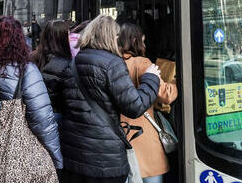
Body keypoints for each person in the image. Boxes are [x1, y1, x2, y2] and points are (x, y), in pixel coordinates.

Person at [58, 14, 161, 183]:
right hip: (104, 158)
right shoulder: (112, 64)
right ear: (110, 37)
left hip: (74, 154)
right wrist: (151, 79)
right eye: (116, 35)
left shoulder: (75, 62)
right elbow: (135, 107)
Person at [0, 16, 63, 182]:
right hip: (14, 160)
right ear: (19, 40)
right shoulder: (27, 71)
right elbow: (43, 121)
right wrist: (56, 158)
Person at [118, 23, 178, 183]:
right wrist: (177, 80)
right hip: (144, 140)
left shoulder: (113, 63)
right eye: (142, 41)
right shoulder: (142, 63)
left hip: (122, 137)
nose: (144, 45)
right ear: (135, 41)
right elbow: (167, 95)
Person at [34, 20, 73, 117]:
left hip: (37, 114)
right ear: (62, 39)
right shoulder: (67, 64)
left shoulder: (33, 58)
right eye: (68, 35)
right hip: (59, 115)